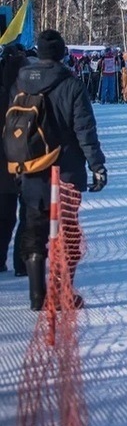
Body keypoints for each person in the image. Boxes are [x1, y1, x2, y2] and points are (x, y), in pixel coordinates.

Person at [13, 30, 106, 310]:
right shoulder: (71, 84)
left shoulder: (21, 82)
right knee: (67, 232)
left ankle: (36, 295)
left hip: (30, 165)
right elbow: (84, 129)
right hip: (65, 168)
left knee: (34, 229)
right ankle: (63, 291)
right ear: (63, 52)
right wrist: (97, 165)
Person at [0, 44, 25, 274]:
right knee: (26, 215)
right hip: (26, 161)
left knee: (5, 214)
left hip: (7, 162)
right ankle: (22, 262)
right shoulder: (28, 91)